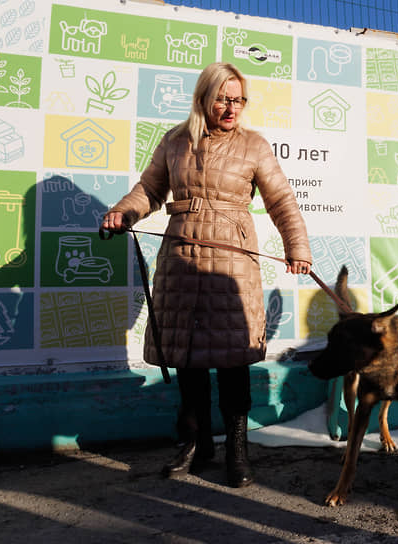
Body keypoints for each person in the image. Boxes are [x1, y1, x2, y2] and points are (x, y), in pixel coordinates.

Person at [102, 62, 311, 488]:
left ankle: (237, 450)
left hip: (231, 262)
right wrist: (123, 212)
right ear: (204, 98)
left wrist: (297, 248)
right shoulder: (175, 142)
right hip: (181, 259)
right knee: (189, 359)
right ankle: (196, 444)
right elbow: (150, 190)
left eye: (239, 99)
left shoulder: (253, 145)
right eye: (223, 98)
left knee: (232, 359)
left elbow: (282, 201)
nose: (232, 107)